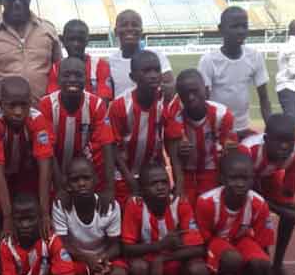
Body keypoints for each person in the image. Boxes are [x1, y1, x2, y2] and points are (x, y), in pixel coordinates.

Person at [195, 151, 284, 275]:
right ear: (222, 178)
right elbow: (204, 242)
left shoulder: (259, 204)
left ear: (253, 179)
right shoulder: (206, 202)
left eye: (245, 178)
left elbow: (264, 250)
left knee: (260, 263)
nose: (240, 184)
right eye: (234, 178)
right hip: (215, 243)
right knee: (232, 259)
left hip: (239, 240)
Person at [0, 76, 54, 274]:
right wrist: (7, 215)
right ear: (0, 103)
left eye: (23, 105)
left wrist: (45, 211)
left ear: (30, 102)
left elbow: (45, 164)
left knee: (34, 217)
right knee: (0, 220)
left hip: (28, 173)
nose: (18, 112)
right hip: (3, 175)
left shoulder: (37, 119)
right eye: (11, 105)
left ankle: (39, 269)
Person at [121, 162, 208, 275]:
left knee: (198, 269)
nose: (161, 187)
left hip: (172, 260)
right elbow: (126, 248)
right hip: (146, 260)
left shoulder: (180, 202)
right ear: (142, 190)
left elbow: (199, 247)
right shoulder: (135, 205)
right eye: (154, 183)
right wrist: (160, 245)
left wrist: (162, 259)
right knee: (138, 269)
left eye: (164, 182)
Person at [52, 157, 127, 275]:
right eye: (75, 180)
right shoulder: (60, 205)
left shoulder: (111, 206)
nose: (81, 184)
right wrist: (87, 259)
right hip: (74, 258)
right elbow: (62, 243)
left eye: (86, 178)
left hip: (102, 258)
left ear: (95, 180)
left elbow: (116, 246)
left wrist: (99, 260)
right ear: (67, 184)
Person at [239, 113, 295, 275]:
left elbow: (288, 192)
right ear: (266, 139)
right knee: (249, 211)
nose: (284, 147)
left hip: (267, 177)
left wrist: (288, 211)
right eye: (279, 142)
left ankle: (278, 265)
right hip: (243, 180)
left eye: (289, 142)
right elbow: (245, 192)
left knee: (291, 209)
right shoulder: (249, 151)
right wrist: (280, 211)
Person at [38, 57, 115, 208]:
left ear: (86, 79)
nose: (72, 80)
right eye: (66, 75)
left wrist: (109, 189)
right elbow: (48, 151)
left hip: (84, 167)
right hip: (54, 167)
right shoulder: (46, 105)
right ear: (58, 79)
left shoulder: (96, 104)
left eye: (78, 75)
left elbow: (107, 145)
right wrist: (60, 187)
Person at [198, 6, 272, 141]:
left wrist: (271, 128)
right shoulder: (209, 60)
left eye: (244, 26)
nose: (241, 31)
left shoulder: (255, 57)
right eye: (234, 26)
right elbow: (204, 102)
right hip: (217, 130)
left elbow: (264, 99)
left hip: (243, 129)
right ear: (221, 29)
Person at [164, 69, 236, 204]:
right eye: (185, 93)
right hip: (185, 171)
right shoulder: (172, 112)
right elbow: (173, 153)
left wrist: (224, 181)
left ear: (206, 90)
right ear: (179, 95)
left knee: (210, 208)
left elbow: (229, 153)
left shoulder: (222, 115)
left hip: (212, 169)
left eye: (195, 91)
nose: (190, 97)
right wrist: (179, 187)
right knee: (184, 209)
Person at [108, 50, 167, 207]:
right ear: (133, 77)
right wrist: (129, 178)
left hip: (153, 172)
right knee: (128, 214)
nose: (153, 75)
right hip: (123, 173)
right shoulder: (119, 106)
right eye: (146, 71)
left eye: (157, 70)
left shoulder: (165, 101)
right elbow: (112, 147)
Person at [108, 10, 175, 101]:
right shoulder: (111, 62)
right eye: (124, 25)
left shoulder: (155, 56)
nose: (130, 28)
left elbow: (170, 85)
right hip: (122, 114)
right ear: (116, 31)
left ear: (141, 31)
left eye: (135, 25)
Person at [46, 19, 113, 103]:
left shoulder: (100, 65)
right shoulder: (56, 68)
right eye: (71, 39)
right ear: (63, 40)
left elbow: (103, 100)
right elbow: (53, 100)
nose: (76, 44)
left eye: (80, 40)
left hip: (94, 115)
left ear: (87, 40)